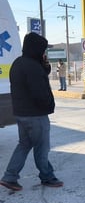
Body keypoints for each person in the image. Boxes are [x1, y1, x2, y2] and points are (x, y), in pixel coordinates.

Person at [0, 32, 63, 191]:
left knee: (24, 144)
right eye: (43, 50)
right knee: (42, 147)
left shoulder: (19, 63)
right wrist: (49, 104)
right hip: (36, 115)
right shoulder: (33, 67)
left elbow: (39, 75)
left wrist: (44, 65)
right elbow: (39, 92)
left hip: (21, 114)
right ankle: (47, 176)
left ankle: (10, 176)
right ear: (36, 49)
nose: (44, 53)